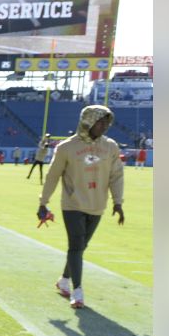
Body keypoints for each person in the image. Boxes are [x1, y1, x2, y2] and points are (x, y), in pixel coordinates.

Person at [38, 105, 124, 309]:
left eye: (106, 122)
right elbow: (53, 176)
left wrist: (118, 202)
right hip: (73, 204)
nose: (104, 126)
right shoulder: (67, 147)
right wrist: (43, 202)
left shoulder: (111, 147)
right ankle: (78, 291)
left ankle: (64, 279)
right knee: (76, 246)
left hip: (97, 204)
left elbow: (116, 176)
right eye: (100, 121)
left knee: (80, 247)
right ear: (88, 122)